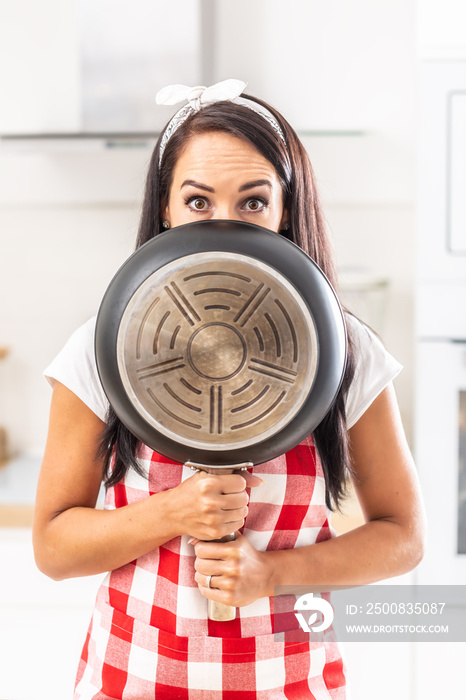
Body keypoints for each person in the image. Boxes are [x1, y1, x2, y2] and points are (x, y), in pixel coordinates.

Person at [33, 79, 426, 699]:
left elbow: (403, 538)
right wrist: (173, 510)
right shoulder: (101, 347)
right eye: (197, 201)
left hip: (291, 683)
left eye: (252, 202)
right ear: (165, 207)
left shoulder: (345, 351)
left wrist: (271, 574)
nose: (224, 225)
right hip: (131, 681)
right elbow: (54, 548)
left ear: (284, 209)